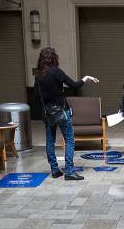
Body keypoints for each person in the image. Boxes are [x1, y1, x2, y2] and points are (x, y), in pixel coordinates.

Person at [33, 47, 98, 180]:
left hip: (48, 113)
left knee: (50, 141)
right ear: (54, 58)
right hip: (62, 111)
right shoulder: (56, 71)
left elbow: (35, 97)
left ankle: (55, 170)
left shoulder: (39, 75)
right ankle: (69, 171)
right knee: (69, 140)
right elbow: (74, 85)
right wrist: (85, 79)